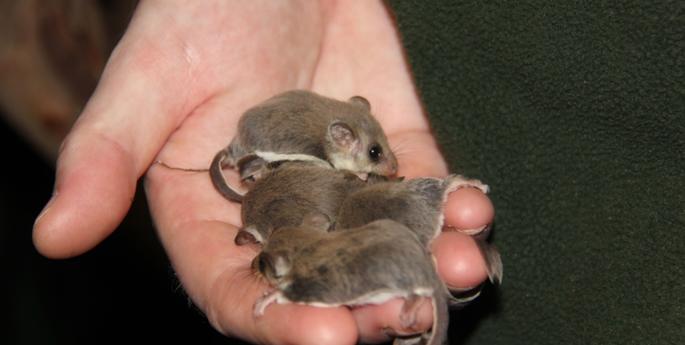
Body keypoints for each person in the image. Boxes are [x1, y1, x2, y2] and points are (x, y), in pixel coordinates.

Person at [32, 2, 495, 344]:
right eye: (376, 155)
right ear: (343, 140)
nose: (387, 168)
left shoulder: (327, 153)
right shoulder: (310, 153)